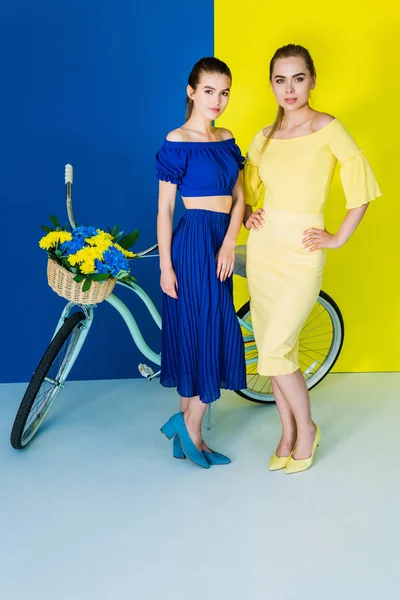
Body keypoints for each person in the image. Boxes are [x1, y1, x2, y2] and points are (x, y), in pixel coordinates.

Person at [244, 44, 381, 474]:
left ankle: (307, 429)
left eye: (297, 78)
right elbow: (245, 190)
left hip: (301, 252)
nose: (289, 88)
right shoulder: (263, 137)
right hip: (264, 251)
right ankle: (285, 434)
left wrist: (338, 236)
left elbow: (360, 178)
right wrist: (249, 212)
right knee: (273, 349)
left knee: (279, 347)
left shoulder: (327, 128)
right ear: (271, 84)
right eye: (280, 79)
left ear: (313, 80)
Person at [156, 57, 247, 468]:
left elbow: (240, 196)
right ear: (192, 92)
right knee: (201, 330)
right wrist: (165, 267)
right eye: (209, 91)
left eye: (224, 91)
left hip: (219, 242)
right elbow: (164, 211)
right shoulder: (177, 139)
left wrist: (230, 243)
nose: (218, 100)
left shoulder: (228, 137)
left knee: (210, 328)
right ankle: (190, 430)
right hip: (192, 243)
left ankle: (186, 432)